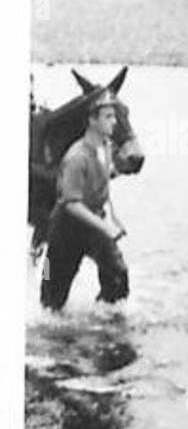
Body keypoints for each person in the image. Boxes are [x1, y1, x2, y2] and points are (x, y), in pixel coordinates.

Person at [39, 86, 130, 312]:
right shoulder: (76, 156)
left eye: (114, 116)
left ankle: (106, 319)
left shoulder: (105, 148)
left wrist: (120, 170)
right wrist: (106, 227)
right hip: (65, 230)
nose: (114, 122)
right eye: (108, 117)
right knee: (50, 296)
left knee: (118, 274)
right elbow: (71, 203)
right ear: (92, 120)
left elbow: (100, 176)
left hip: (94, 226)